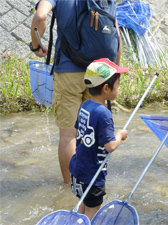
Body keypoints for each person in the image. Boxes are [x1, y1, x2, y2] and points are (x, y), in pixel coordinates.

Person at [30, 0, 123, 183]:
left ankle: (70, 189)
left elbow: (40, 16)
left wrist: (35, 46)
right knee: (92, 130)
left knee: (68, 134)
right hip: (99, 72)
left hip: (68, 71)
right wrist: (115, 71)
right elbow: (116, 34)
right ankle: (91, 183)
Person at [69, 58, 128, 221]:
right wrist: (120, 135)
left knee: (83, 204)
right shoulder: (103, 113)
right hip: (93, 175)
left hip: (78, 169)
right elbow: (110, 146)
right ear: (106, 88)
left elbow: (76, 132)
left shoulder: (85, 105)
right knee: (93, 213)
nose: (119, 88)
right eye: (118, 84)